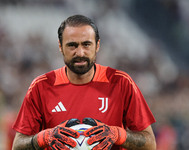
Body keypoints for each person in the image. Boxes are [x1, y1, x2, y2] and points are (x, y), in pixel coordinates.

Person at [12, 14, 156, 150]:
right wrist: (44, 137)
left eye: (86, 44)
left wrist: (118, 135)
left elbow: (150, 144)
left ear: (97, 45)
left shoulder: (121, 83)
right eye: (72, 45)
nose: (80, 53)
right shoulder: (41, 87)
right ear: (60, 46)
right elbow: (17, 145)